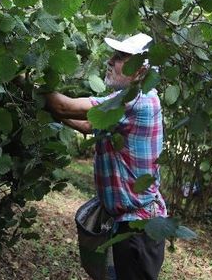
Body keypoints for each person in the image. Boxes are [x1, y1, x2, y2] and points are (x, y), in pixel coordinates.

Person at [44, 33, 167, 280]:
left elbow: (65, 107)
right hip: (130, 224)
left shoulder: (137, 101)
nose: (110, 61)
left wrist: (26, 84)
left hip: (138, 228)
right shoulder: (130, 99)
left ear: (141, 71)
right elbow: (89, 125)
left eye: (120, 57)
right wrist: (47, 106)